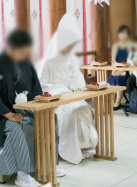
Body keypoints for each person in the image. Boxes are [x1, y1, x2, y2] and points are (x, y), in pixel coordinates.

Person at [0, 30, 62, 187]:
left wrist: (39, 107)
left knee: (50, 118)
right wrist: (7, 113)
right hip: (3, 114)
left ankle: (49, 165)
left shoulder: (27, 64)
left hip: (24, 108)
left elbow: (36, 88)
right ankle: (23, 174)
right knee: (18, 127)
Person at [39, 13, 98, 165]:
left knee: (83, 108)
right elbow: (42, 84)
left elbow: (77, 77)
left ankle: (83, 146)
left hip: (71, 97)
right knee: (70, 112)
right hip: (56, 100)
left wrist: (77, 87)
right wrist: (63, 90)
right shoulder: (48, 60)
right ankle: (68, 150)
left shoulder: (71, 58)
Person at [108, 25, 132, 110]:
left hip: (127, 71)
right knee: (111, 78)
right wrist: (114, 70)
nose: (122, 35)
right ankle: (112, 101)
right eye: (121, 33)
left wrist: (120, 71)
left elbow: (130, 62)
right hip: (116, 69)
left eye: (125, 34)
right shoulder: (115, 46)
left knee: (118, 80)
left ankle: (117, 102)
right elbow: (113, 60)